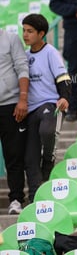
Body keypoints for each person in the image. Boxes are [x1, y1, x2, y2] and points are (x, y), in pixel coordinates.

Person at [22, 13, 71, 202]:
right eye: (24, 31)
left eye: (30, 31)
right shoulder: (24, 56)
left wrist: (65, 97)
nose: (25, 35)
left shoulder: (50, 52)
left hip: (50, 104)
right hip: (30, 111)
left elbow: (63, 77)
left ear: (41, 33)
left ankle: (49, 159)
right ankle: (35, 197)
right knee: (30, 158)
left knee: (48, 130)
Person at [0, 28, 29, 214]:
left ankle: (17, 199)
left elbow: (22, 68)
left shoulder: (10, 38)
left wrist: (23, 99)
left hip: (10, 105)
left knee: (14, 155)